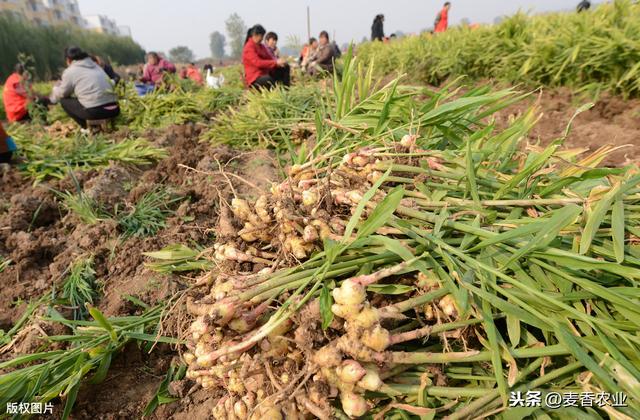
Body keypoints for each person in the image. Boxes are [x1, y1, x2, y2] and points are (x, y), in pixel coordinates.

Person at [49, 46, 120, 129]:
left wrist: (55, 88)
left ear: (68, 60)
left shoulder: (70, 71)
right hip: (115, 109)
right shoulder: (95, 65)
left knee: (64, 101)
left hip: (97, 112)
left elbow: (62, 93)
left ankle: (86, 127)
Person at [242, 24, 289, 89]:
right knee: (268, 80)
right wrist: (275, 62)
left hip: (265, 73)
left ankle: (286, 90)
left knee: (285, 67)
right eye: (261, 36)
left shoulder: (261, 46)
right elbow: (258, 63)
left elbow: (269, 58)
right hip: (255, 78)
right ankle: (278, 92)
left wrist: (279, 63)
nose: (262, 39)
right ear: (255, 35)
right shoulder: (249, 47)